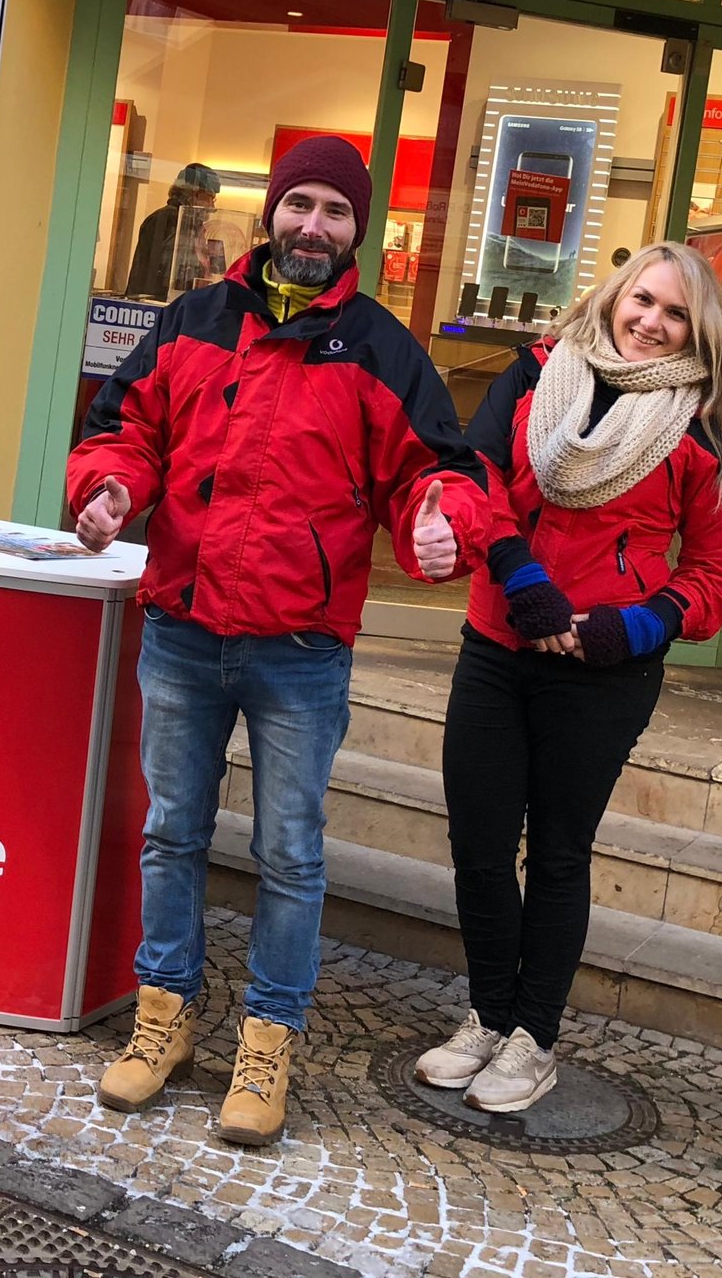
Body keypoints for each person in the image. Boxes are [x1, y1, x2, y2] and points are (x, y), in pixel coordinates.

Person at [70, 134, 490, 1148]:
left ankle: (268, 1043)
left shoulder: (383, 349)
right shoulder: (188, 322)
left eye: (334, 211)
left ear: (357, 230)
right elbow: (120, 427)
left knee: (288, 854)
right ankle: (161, 1017)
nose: (312, 225)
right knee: (172, 831)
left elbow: (443, 471)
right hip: (181, 626)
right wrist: (110, 488)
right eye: (299, 203)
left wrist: (441, 516)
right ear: (272, 215)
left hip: (299, 648)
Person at [415, 240, 722, 1113]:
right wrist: (519, 575)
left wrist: (634, 626)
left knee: (560, 853)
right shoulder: (538, 369)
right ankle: (489, 1016)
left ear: (700, 330)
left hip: (602, 672)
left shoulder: (703, 423)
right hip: (498, 644)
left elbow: (721, 571)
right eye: (642, 300)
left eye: (675, 313)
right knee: (480, 846)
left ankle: (534, 1037)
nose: (650, 322)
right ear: (614, 296)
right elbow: (475, 476)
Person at [126, 162, 221, 299]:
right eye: (210, 198)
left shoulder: (174, 220)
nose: (212, 207)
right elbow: (174, 274)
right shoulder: (172, 220)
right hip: (161, 305)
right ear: (194, 194)